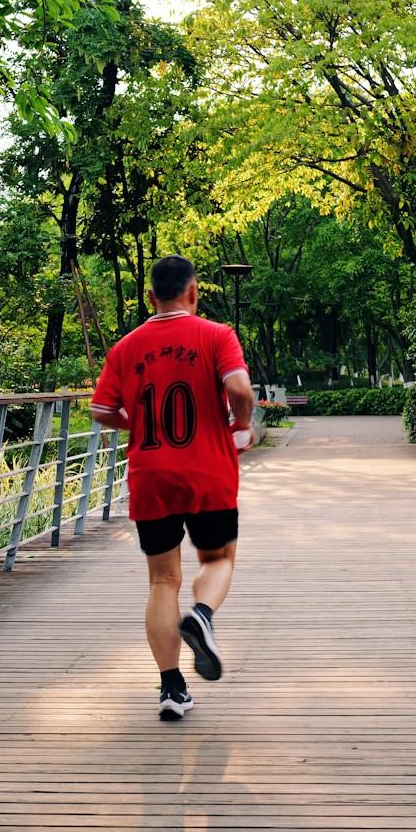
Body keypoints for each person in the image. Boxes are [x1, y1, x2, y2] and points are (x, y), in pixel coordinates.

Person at [89, 255, 256, 720]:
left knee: (163, 580)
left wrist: (133, 420)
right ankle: (201, 617)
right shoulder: (216, 335)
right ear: (194, 292)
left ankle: (171, 688)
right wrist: (242, 425)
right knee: (218, 559)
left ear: (150, 298)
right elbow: (239, 390)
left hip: (151, 476)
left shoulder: (126, 347)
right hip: (208, 471)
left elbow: (100, 410)